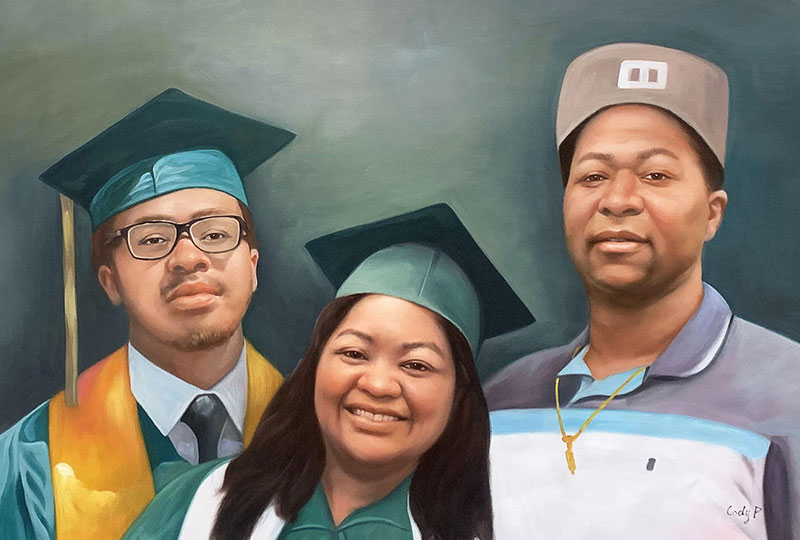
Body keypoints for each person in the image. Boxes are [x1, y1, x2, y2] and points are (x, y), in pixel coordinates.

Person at [484, 43, 800, 539]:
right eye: (593, 176)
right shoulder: (500, 402)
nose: (618, 200)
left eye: (656, 175)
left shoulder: (788, 396)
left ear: (712, 212)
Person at [122, 203, 534, 540]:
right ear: (314, 366)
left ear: (459, 396)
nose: (377, 384)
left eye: (416, 365)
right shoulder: (198, 506)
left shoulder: (496, 531)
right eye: (354, 353)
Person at [0, 88, 295, 540]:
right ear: (110, 281)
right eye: (152, 239)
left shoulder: (323, 433)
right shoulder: (27, 464)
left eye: (215, 233)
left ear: (253, 266)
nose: (189, 257)